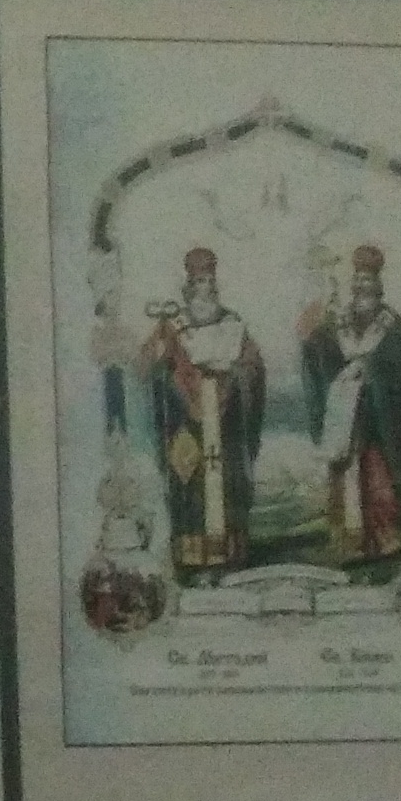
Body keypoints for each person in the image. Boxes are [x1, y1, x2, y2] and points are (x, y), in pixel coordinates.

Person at [139, 247, 265, 581]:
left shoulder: (233, 324)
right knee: (189, 482)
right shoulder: (174, 326)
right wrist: (166, 368)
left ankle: (231, 556)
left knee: (228, 484)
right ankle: (192, 559)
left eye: (209, 281)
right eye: (198, 282)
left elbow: (253, 367)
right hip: (187, 427)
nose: (204, 289)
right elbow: (146, 367)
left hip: (227, 427)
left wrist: (237, 376)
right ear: (188, 287)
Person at [297, 244, 401, 568]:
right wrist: (312, 343)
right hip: (345, 417)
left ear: (378, 285)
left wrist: (372, 374)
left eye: (368, 281)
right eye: (359, 280)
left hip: (377, 421)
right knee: (344, 477)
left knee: (377, 480)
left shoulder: (392, 325)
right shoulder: (340, 320)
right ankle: (348, 543)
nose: (362, 286)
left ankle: (384, 540)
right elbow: (322, 354)